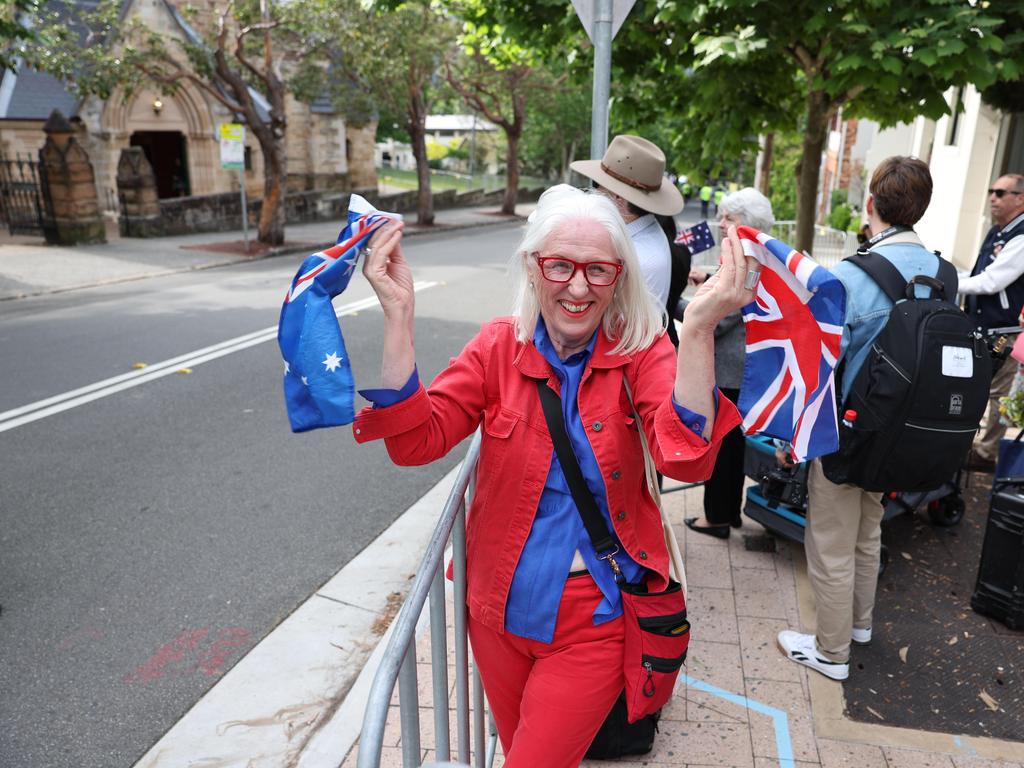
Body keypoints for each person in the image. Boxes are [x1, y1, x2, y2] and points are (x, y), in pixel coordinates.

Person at [353, 184, 759, 767]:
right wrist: (399, 316)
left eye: (597, 270)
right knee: (522, 749)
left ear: (618, 276)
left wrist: (695, 330)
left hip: (594, 616)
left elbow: (685, 457)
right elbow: (416, 441)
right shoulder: (498, 345)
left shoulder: (643, 349)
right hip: (495, 611)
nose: (576, 286)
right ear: (533, 267)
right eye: (561, 265)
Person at [776, 156, 944, 681]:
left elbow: (824, 362)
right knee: (869, 528)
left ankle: (830, 652)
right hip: (908, 433)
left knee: (829, 541)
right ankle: (860, 625)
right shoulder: (944, 272)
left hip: (849, 431)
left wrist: (795, 435)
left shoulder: (852, 274)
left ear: (871, 205)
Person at [682, 187, 775, 538]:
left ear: (746, 223)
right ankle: (728, 513)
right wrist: (707, 281)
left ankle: (717, 518)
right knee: (731, 448)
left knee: (722, 450)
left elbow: (720, 320)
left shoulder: (744, 261)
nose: (721, 224)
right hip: (743, 369)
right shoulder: (758, 255)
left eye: (729, 218)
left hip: (730, 371)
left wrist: (676, 304)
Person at [571, 134, 684, 310]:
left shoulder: (636, 257)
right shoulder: (641, 234)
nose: (593, 194)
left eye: (597, 186)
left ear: (618, 198)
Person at [958, 173, 1024, 472]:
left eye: (1001, 192)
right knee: (973, 386)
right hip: (980, 326)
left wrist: (949, 282)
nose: (993, 197)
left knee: (997, 394)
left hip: (1002, 331)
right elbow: (977, 274)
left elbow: (991, 282)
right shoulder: (997, 231)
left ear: (1020, 198)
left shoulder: (1020, 235)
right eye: (991, 191)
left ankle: (987, 452)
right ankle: (965, 442)